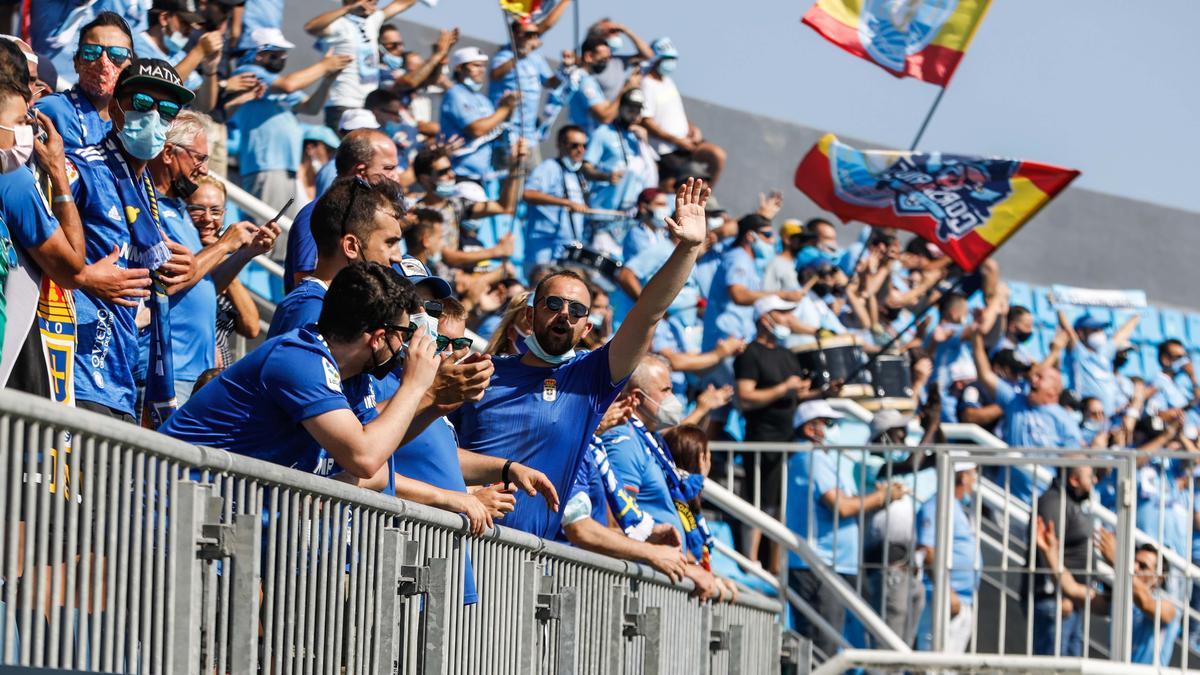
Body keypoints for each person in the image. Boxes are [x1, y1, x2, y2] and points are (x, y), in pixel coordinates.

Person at [453, 178, 712, 540]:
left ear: (585, 325)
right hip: (459, 542)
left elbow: (648, 313)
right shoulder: (482, 371)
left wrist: (687, 250)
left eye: (576, 311)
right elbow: (432, 448)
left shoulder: (589, 378)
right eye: (554, 305)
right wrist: (463, 493)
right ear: (529, 316)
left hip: (526, 562)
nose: (564, 315)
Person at [161, 261, 440, 482]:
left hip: (215, 513)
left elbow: (377, 468)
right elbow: (364, 458)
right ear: (378, 337)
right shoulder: (298, 359)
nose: (404, 345)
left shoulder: (354, 377)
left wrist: (325, 491)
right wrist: (414, 387)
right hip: (168, 508)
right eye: (403, 334)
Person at [65, 57, 197, 422]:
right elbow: (31, 237)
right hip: (77, 372)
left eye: (167, 110)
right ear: (116, 105)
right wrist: (84, 277)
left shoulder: (147, 195)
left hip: (122, 378)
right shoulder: (81, 168)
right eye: (143, 104)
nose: (154, 116)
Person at [148, 111, 279, 402]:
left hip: (198, 372)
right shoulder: (151, 208)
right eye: (199, 158)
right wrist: (223, 246)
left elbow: (202, 283)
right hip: (167, 371)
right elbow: (169, 282)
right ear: (169, 153)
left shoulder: (178, 210)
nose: (204, 170)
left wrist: (245, 254)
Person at [786, 399, 908, 657]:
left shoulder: (822, 459)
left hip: (834, 564)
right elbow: (840, 506)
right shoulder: (811, 457)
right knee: (822, 650)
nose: (834, 430)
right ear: (811, 429)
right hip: (820, 565)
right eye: (829, 424)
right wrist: (883, 497)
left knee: (833, 647)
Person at [598, 354, 727, 599]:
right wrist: (683, 568)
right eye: (666, 390)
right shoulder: (623, 441)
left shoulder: (651, 439)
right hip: (637, 587)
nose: (673, 399)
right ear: (636, 398)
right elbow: (618, 521)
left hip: (659, 580)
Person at [230, 31, 351, 226]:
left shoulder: (273, 82)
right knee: (269, 234)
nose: (282, 58)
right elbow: (289, 85)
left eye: (284, 53)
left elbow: (311, 108)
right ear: (258, 54)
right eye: (276, 53)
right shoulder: (247, 72)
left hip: (286, 168)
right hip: (265, 166)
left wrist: (327, 79)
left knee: (283, 235)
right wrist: (324, 66)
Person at [734, 296, 815, 568]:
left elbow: (797, 393)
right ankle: (751, 562)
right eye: (781, 313)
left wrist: (824, 392)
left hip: (786, 440)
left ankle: (775, 567)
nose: (787, 319)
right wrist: (783, 389)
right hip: (762, 440)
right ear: (764, 318)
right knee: (760, 504)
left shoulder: (787, 354)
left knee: (781, 507)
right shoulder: (750, 354)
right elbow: (745, 397)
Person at [270, 176, 404, 337]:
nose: (398, 257)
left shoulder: (334, 305)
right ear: (351, 246)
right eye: (390, 243)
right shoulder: (310, 310)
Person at [1036, 523, 1179, 666]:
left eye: (1143, 566)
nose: (1134, 568)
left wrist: (1118, 562)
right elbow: (1072, 589)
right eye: (1133, 562)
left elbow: (1146, 602)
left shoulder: (1169, 608)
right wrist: (1050, 554)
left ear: (1158, 579)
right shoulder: (1120, 602)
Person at [283, 128, 402, 291]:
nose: (397, 176)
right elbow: (305, 282)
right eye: (388, 168)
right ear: (361, 172)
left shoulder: (367, 211)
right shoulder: (321, 212)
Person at [972, 333, 1085, 502]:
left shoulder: (1064, 419)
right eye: (1034, 376)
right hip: (1006, 496)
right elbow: (986, 376)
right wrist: (977, 340)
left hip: (1041, 500)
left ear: (1054, 390)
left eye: (1040, 378)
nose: (1033, 379)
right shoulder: (1016, 401)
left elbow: (1076, 456)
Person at [863, 409, 925, 652]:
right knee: (888, 641)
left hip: (906, 563)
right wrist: (929, 431)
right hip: (886, 562)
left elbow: (933, 455)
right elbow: (913, 463)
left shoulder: (895, 464)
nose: (905, 436)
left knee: (904, 644)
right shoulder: (870, 462)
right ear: (885, 435)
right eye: (901, 432)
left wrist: (934, 422)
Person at [301, 0, 417, 129]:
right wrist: (349, 9)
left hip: (369, 107)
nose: (375, 3)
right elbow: (311, 27)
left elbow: (402, 4)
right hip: (344, 105)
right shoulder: (339, 23)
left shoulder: (372, 20)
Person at [701, 214, 803, 358]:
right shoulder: (738, 259)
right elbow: (739, 295)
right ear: (750, 236)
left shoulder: (750, 261)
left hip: (739, 339)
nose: (772, 241)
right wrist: (782, 295)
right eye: (767, 235)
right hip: (724, 342)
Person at [410, 145, 525, 271]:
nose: (451, 174)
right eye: (443, 172)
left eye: (451, 169)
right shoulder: (417, 213)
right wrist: (497, 251)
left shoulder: (455, 205)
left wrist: (516, 166)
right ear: (425, 180)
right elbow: (447, 256)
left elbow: (503, 207)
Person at [185, 176, 261, 367]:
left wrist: (225, 260)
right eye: (198, 209)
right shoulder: (179, 250)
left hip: (216, 373)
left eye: (216, 211)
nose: (208, 218)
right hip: (187, 364)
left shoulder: (227, 257)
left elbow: (251, 327)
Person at [34, 12, 134, 150]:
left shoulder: (136, 123)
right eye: (91, 52)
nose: (103, 62)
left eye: (117, 54)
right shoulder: (53, 109)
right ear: (76, 62)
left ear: (130, 66)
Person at [1026, 464, 1097, 657]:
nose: (1095, 481)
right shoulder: (1054, 502)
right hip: (1056, 600)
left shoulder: (1067, 501)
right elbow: (1045, 549)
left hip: (1072, 600)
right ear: (1074, 480)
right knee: (1053, 666)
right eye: (1090, 476)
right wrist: (1062, 595)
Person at [638, 37, 725, 184]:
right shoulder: (646, 83)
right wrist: (677, 141)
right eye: (667, 58)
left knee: (717, 155)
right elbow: (646, 120)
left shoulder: (668, 82)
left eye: (673, 58)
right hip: (666, 149)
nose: (671, 62)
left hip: (687, 142)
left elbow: (676, 112)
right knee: (675, 184)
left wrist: (691, 128)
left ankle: (705, 198)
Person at [915, 459, 980, 654]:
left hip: (960, 599)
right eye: (973, 474)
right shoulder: (936, 505)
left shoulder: (955, 506)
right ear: (963, 477)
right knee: (932, 662)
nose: (975, 480)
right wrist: (946, 591)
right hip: (942, 599)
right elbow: (927, 550)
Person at [488, 1, 571, 151]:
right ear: (515, 35)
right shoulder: (503, 55)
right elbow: (495, 75)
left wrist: (564, 69)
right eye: (528, 34)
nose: (533, 38)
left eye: (535, 34)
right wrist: (518, 56)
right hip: (506, 132)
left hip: (529, 135)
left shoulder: (536, 57)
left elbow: (551, 83)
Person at [521, 124, 593, 276]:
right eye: (575, 145)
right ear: (560, 145)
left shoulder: (577, 174)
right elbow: (528, 194)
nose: (581, 150)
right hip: (544, 245)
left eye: (584, 146)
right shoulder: (549, 167)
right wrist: (566, 202)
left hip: (568, 247)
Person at [439, 46, 516, 181]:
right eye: (476, 65)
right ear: (459, 68)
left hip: (484, 176)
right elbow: (477, 130)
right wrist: (504, 109)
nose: (482, 70)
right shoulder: (455, 93)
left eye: (483, 66)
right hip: (459, 173)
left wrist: (510, 107)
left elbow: (496, 127)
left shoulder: (483, 99)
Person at [585, 88, 657, 227]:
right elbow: (585, 168)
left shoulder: (638, 137)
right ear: (621, 107)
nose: (634, 114)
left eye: (638, 110)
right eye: (631, 109)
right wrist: (606, 176)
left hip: (628, 214)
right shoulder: (602, 132)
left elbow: (649, 173)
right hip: (604, 209)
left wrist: (645, 143)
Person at [1062, 311, 1138, 418]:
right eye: (1095, 330)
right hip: (1087, 415)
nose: (1100, 333)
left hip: (1108, 418)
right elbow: (1067, 329)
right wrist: (1059, 309)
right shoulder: (1078, 353)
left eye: (1101, 329)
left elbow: (1122, 334)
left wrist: (1137, 314)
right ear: (1080, 332)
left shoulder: (1105, 352)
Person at [566, 34, 640, 136]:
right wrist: (626, 88)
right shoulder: (585, 82)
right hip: (586, 142)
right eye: (603, 60)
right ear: (589, 57)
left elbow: (608, 107)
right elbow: (605, 117)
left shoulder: (590, 80)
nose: (606, 64)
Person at [1146, 338, 1200, 428]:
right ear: (1165, 359)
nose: (1184, 361)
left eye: (1185, 356)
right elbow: (1155, 415)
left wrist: (1192, 377)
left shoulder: (1178, 383)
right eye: (1179, 357)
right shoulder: (1157, 383)